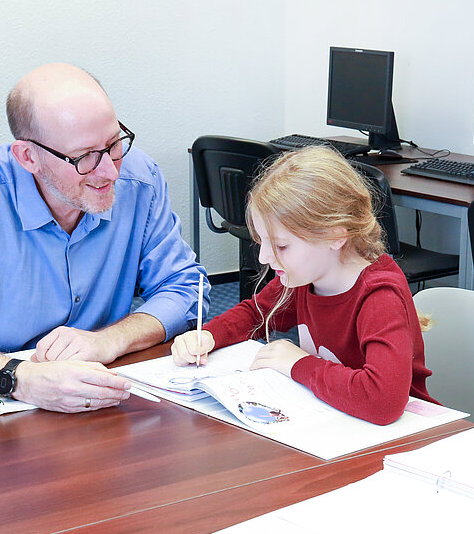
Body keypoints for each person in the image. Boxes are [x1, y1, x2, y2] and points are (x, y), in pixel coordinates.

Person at [0, 63, 206, 413]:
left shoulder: (141, 180)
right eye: (85, 157)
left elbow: (186, 290)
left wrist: (109, 340)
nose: (110, 170)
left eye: (114, 144)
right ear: (28, 157)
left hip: (102, 396)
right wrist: (19, 378)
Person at [170, 146, 435, 425]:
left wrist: (298, 363)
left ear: (335, 236)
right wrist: (208, 336)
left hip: (406, 438)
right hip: (338, 423)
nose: (264, 258)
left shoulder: (379, 295)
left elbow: (383, 403)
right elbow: (254, 314)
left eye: (281, 246)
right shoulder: (304, 276)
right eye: (261, 242)